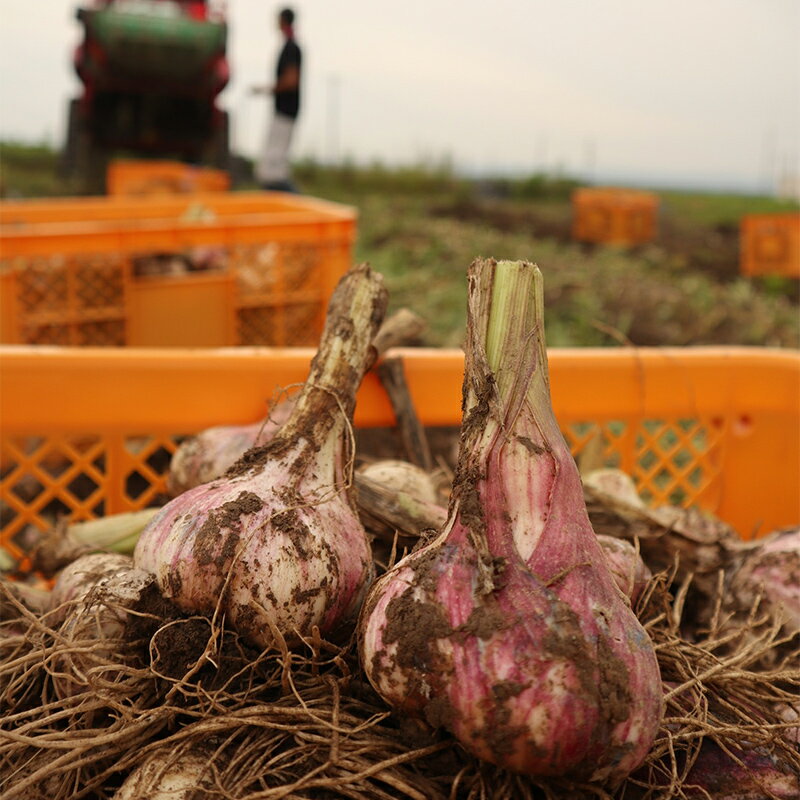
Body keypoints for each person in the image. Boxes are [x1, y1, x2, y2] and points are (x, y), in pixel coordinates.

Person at [252, 7, 302, 192]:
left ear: (282, 21)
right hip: (284, 111)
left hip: (285, 112)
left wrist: (266, 89)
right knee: (273, 169)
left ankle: (296, 208)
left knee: (271, 172)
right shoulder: (289, 46)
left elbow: (291, 80)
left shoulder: (291, 48)